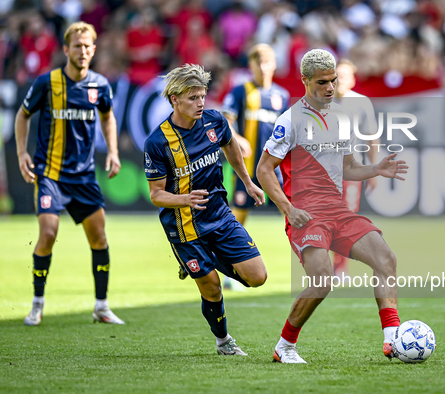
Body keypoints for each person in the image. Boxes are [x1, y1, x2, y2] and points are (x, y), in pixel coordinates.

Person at [256, 49, 408, 364]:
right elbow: (263, 169)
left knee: (386, 259)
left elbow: (349, 168)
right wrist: (288, 208)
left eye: (333, 80)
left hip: (338, 210)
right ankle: (284, 346)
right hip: (306, 214)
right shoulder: (290, 120)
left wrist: (376, 169)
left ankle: (393, 339)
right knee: (323, 279)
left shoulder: (340, 118)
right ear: (305, 81)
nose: (329, 87)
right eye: (322, 82)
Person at [143, 64, 268, 355]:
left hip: (220, 215)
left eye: (202, 96)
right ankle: (224, 341)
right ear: (174, 99)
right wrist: (183, 199)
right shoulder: (158, 142)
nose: (200, 103)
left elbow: (231, 147)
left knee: (257, 277)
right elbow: (156, 194)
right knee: (211, 285)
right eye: (192, 98)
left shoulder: (215, 122)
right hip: (184, 225)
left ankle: (202, 262)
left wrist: (247, 182)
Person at [15, 22, 124, 326]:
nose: (83, 51)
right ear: (66, 50)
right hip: (50, 174)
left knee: (99, 238)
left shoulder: (100, 85)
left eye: (88, 46)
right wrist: (22, 153)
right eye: (77, 46)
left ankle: (101, 306)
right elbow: (22, 116)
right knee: (48, 233)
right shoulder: (46, 83)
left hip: (85, 177)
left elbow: (108, 117)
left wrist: (113, 152)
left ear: (94, 49)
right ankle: (37, 303)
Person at [217, 43, 289, 290]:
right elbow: (226, 120)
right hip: (246, 169)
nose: (263, 67)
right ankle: (230, 274)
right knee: (238, 218)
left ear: (274, 64)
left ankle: (311, 267)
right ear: (251, 66)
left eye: (267, 61)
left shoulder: (282, 95)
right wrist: (237, 138)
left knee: (291, 213)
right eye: (258, 62)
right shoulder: (240, 92)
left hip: (274, 169)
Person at [332, 59, 378, 277]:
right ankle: (326, 265)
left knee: (346, 217)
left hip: (350, 169)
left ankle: (340, 267)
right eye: (336, 75)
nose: (339, 80)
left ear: (352, 80)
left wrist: (373, 169)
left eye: (344, 75)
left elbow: (371, 137)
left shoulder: (361, 103)